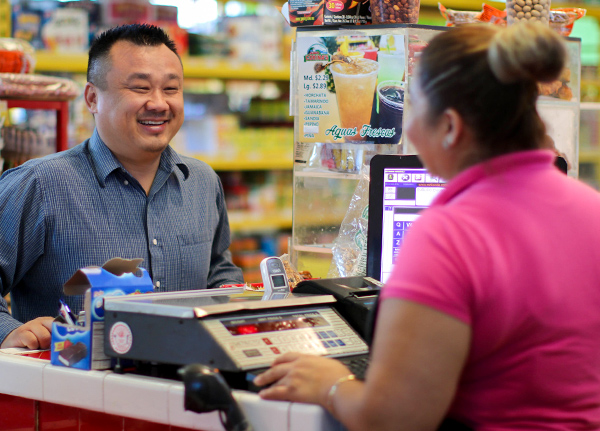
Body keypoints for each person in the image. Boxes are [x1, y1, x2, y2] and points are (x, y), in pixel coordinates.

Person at [254, 23, 600, 430]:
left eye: (413, 109)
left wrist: (332, 385)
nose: (409, 130)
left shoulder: (450, 234)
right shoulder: (590, 208)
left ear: (450, 127)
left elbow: (396, 418)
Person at [0, 24, 243, 350]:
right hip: (76, 392)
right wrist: (8, 333)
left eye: (171, 89)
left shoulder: (202, 182)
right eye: (140, 88)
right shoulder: (39, 186)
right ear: (92, 98)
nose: (159, 103)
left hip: (187, 387)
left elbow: (219, 270)